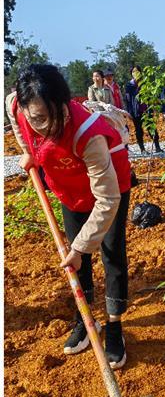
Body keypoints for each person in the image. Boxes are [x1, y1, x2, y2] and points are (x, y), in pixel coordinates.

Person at [8, 64, 133, 368]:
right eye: (37, 118)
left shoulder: (88, 134)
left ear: (64, 103)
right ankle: (85, 319)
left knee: (111, 252)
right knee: (77, 259)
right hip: (68, 188)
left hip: (109, 187)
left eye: (54, 115)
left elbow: (107, 199)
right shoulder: (16, 106)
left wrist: (80, 247)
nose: (47, 127)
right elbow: (15, 121)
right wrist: (28, 151)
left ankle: (114, 326)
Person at [123, 65, 161, 156]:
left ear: (140, 72)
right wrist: (129, 112)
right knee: (139, 130)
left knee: (152, 128)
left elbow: (150, 96)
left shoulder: (145, 83)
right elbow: (128, 100)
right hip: (136, 111)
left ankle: (157, 146)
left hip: (147, 110)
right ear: (131, 74)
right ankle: (142, 149)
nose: (135, 73)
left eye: (137, 71)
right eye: (133, 71)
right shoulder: (129, 86)